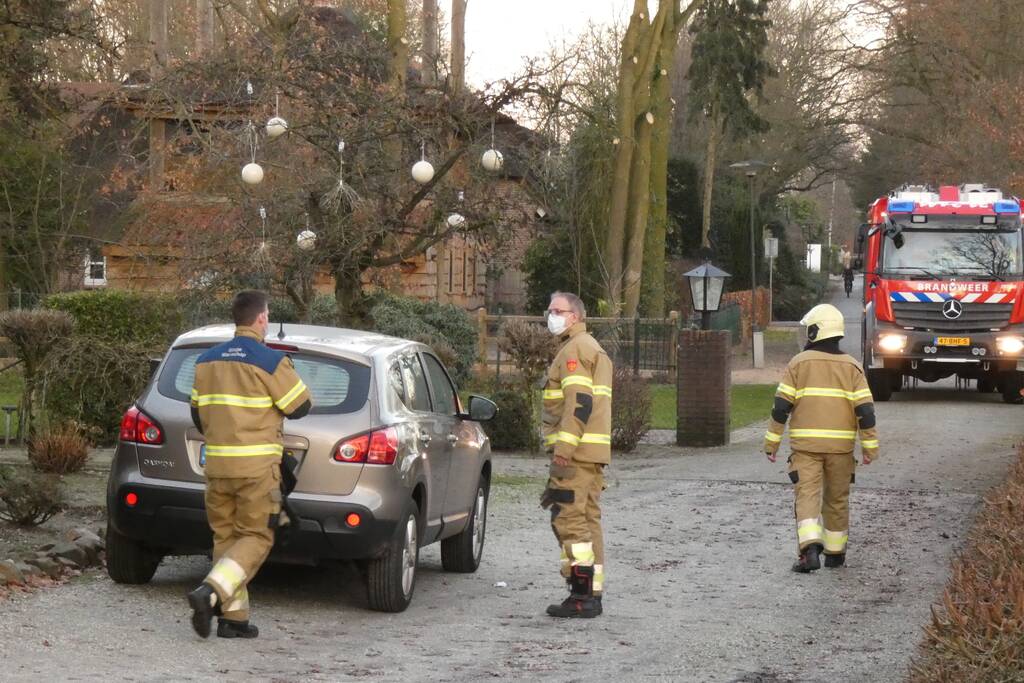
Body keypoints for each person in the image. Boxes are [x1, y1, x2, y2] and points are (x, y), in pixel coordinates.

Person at [186, 290, 312, 639]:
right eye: (267, 315)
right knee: (257, 536)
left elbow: (197, 414)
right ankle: (210, 591)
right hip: (257, 469)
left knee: (226, 538)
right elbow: (300, 406)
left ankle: (234, 619)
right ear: (261, 318)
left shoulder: (205, 361)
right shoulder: (269, 360)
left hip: (217, 467)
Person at [763, 303, 879, 572]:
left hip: (806, 449)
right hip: (841, 450)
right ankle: (836, 554)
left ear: (815, 331)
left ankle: (809, 551)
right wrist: (870, 447)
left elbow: (781, 408)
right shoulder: (853, 368)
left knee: (807, 496)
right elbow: (866, 411)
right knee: (837, 499)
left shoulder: (798, 364)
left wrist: (771, 443)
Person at [539, 292, 613, 618]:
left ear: (575, 316)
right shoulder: (590, 347)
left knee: (570, 521)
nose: (551, 315)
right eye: (550, 310)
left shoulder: (575, 350)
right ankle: (590, 592)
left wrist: (564, 450)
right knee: (587, 520)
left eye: (558, 311)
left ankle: (581, 595)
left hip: (575, 455)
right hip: (591, 453)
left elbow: (579, 402)